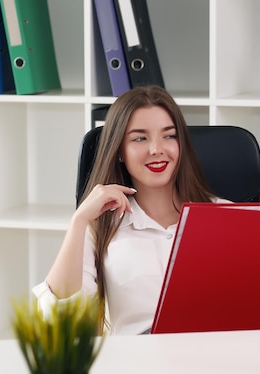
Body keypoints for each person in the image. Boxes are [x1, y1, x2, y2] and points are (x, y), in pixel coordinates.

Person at [32, 85, 226, 335]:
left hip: (213, 359)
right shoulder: (101, 225)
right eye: (139, 138)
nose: (156, 149)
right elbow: (59, 320)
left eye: (169, 135)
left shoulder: (223, 217)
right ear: (120, 151)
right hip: (135, 364)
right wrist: (79, 220)